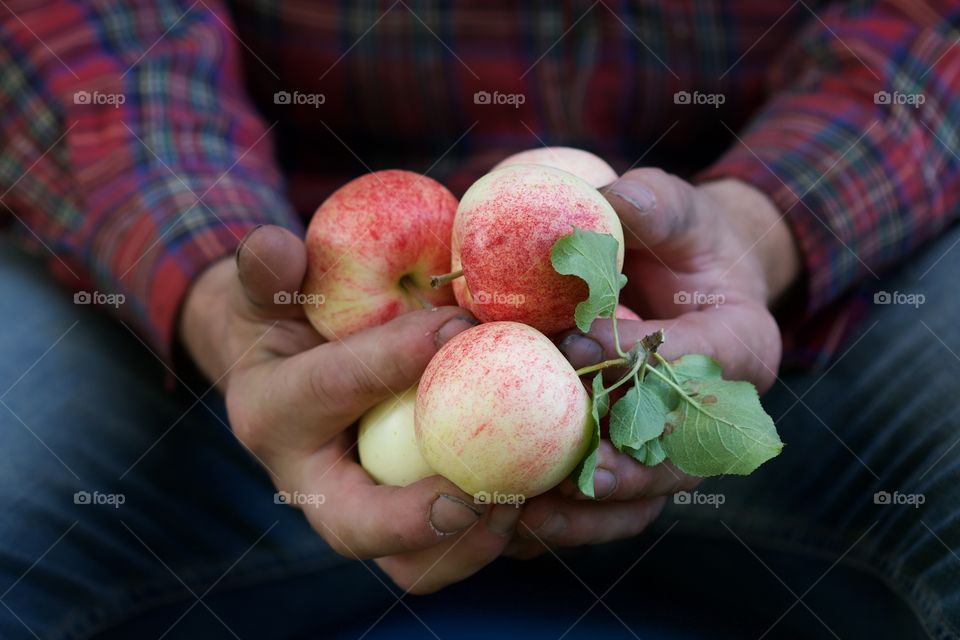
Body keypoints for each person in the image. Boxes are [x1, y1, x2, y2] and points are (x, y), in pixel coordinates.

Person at [1, 1, 957, 638]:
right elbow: (88, 33)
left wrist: (758, 228)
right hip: (279, 343)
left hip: (753, 309)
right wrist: (214, 290)